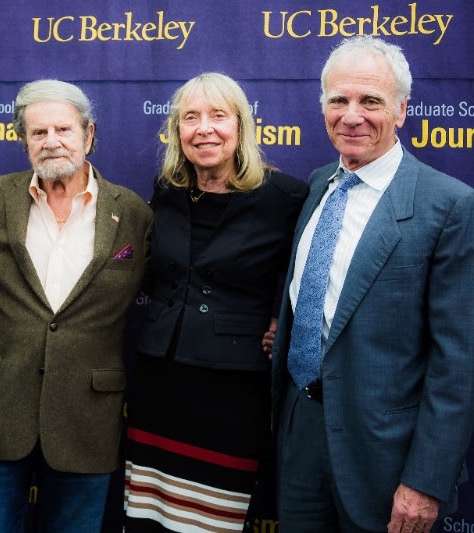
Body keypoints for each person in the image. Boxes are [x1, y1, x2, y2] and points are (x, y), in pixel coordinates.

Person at [272, 36, 474, 533]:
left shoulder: (449, 206)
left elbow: (459, 359)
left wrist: (426, 480)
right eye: (338, 100)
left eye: (371, 101)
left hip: (386, 458)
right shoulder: (318, 184)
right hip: (299, 436)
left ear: (402, 110)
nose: (351, 115)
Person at [0, 79, 152, 532]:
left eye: (63, 130)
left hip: (89, 417)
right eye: (38, 132)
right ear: (23, 140)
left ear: (88, 135)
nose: (51, 142)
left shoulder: (134, 212)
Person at [122, 73, 307, 531]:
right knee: (147, 515)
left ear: (241, 126)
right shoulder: (165, 192)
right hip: (157, 383)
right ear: (177, 131)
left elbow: (316, 274)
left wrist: (282, 321)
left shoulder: (285, 197)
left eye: (218, 116)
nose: (204, 129)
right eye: (190, 118)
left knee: (210, 520)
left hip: (231, 390)